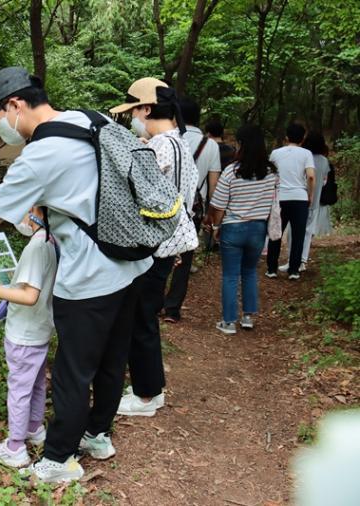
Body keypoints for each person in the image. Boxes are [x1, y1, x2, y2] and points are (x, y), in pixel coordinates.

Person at [0, 67, 151, 483]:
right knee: (112, 358)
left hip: (90, 275)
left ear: (15, 105)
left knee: (73, 369)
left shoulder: (39, 155)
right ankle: (97, 436)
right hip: (132, 259)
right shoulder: (90, 118)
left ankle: (57, 460)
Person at [109, 78, 198, 417]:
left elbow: (142, 195)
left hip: (153, 245)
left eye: (134, 110)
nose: (133, 117)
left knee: (140, 318)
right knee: (143, 316)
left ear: (146, 109)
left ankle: (146, 396)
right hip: (168, 243)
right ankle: (151, 387)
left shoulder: (161, 147)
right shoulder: (177, 143)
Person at [0, 207, 57, 468]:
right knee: (37, 382)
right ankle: (33, 428)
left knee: (19, 388)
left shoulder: (36, 247)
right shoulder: (51, 241)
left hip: (24, 333)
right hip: (41, 328)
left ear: (36, 210)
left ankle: (15, 447)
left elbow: (29, 296)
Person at [204, 125, 278, 334]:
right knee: (249, 272)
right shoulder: (271, 172)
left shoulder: (232, 171)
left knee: (230, 275)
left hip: (233, 227)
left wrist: (216, 226)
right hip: (258, 229)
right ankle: (247, 317)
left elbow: (218, 204)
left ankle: (228, 322)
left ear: (241, 144)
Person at [162, 97, 221, 324]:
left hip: (164, 206)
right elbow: (213, 182)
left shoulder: (169, 139)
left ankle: (154, 302)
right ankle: (173, 308)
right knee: (184, 258)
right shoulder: (211, 145)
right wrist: (211, 213)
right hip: (192, 208)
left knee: (159, 254)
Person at [266, 123, 316, 280]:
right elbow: (311, 176)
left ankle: (272, 269)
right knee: (298, 234)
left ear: (286, 137)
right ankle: (294, 270)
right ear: (303, 138)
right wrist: (310, 194)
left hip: (280, 198)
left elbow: (269, 175)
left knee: (276, 233)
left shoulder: (275, 153)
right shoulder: (306, 154)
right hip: (300, 198)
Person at [279, 132, 331, 273]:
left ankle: (292, 261)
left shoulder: (303, 157)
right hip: (314, 202)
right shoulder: (324, 161)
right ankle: (302, 261)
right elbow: (324, 181)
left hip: (300, 199)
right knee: (307, 233)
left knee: (292, 233)